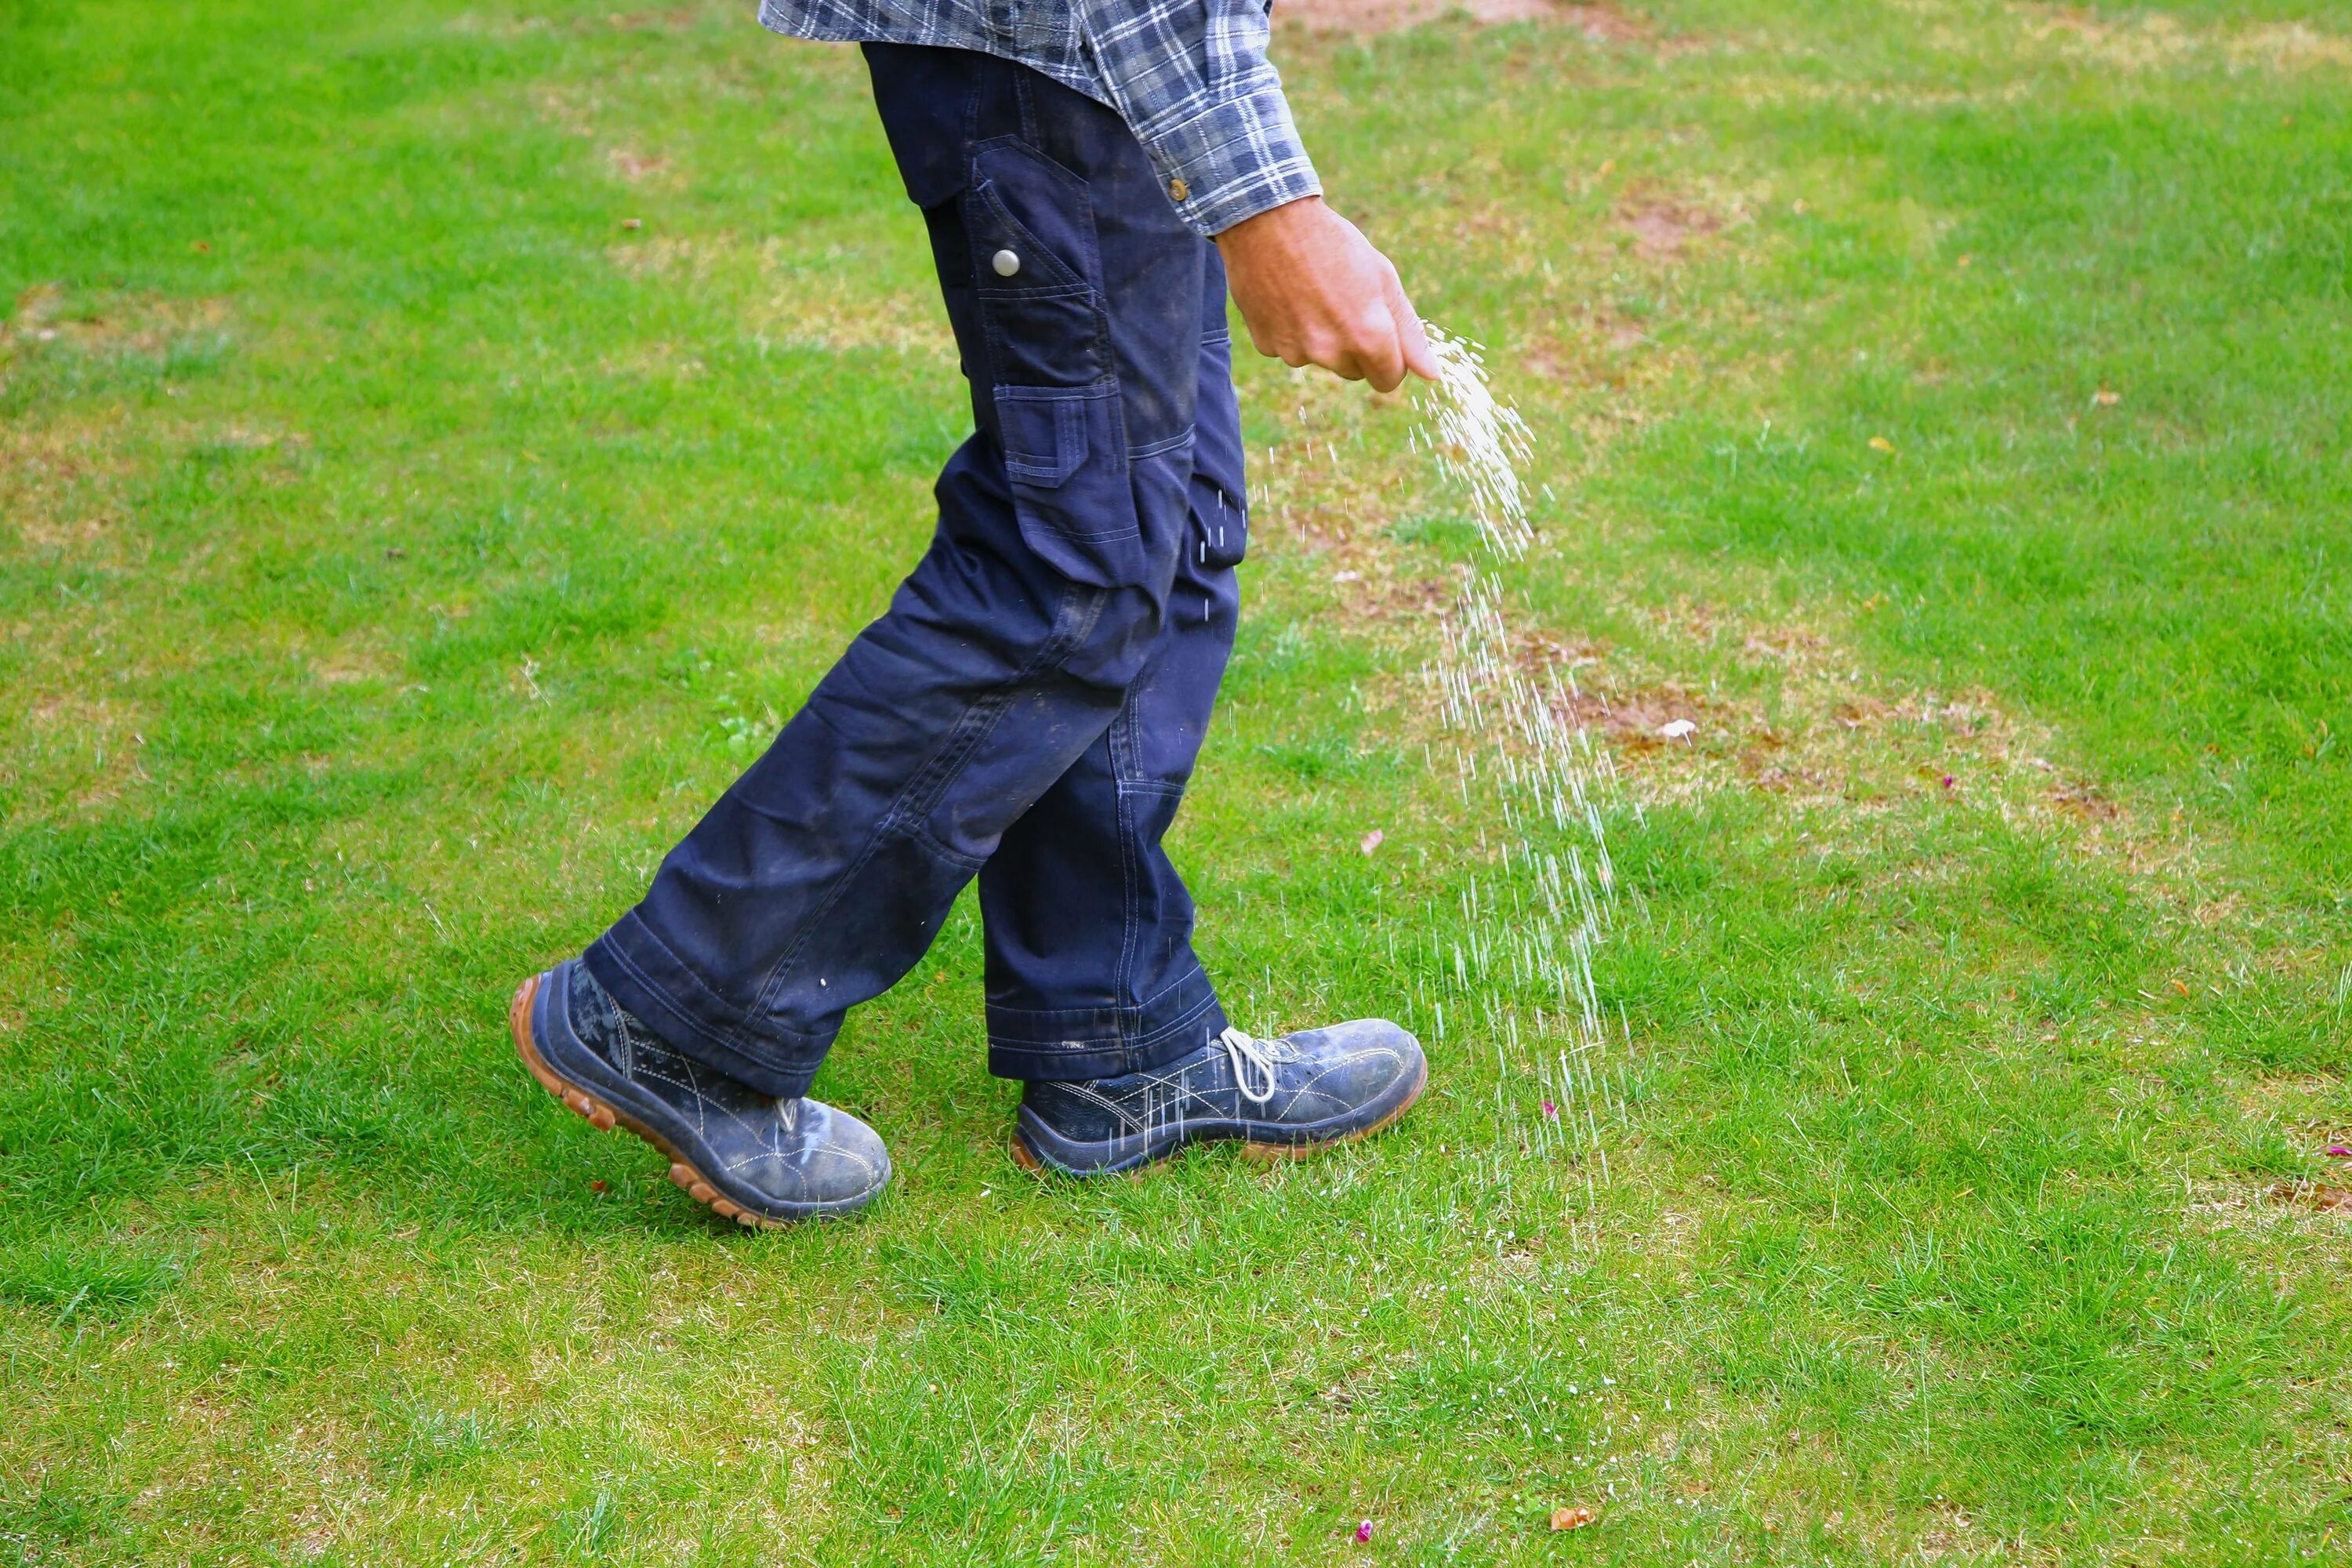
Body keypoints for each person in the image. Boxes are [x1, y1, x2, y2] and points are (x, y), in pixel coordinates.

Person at [510, 0, 1441, 1225]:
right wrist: (1268, 202)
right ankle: (680, 1007)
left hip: (1093, 68)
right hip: (1058, 58)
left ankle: (1116, 1046)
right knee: (1076, 568)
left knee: (1167, 530)